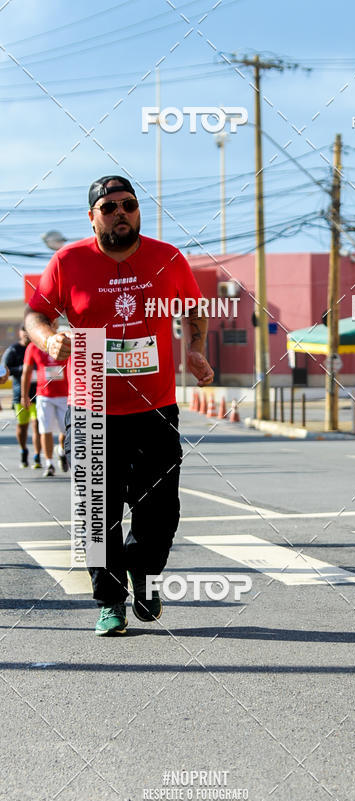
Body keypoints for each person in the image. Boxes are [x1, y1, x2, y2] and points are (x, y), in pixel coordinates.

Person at [24, 175, 213, 636]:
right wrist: (49, 339)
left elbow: (192, 308)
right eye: (109, 207)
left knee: (159, 510)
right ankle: (110, 601)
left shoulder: (167, 258)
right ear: (93, 217)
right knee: (95, 512)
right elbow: (36, 314)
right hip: (90, 403)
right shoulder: (68, 261)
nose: (120, 213)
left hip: (155, 407)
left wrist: (194, 348)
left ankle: (144, 577)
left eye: (128, 204)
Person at [21, 332, 69, 477]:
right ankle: (49, 464)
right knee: (45, 430)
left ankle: (61, 450)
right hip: (44, 395)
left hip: (64, 395)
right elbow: (27, 371)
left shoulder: (64, 342)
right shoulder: (33, 347)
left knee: (67, 432)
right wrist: (24, 395)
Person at [0, 327, 42, 469]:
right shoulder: (13, 350)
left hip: (38, 393)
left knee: (37, 425)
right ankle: (24, 450)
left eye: (28, 331)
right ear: (19, 333)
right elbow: (4, 369)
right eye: (23, 331)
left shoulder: (38, 347)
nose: (26, 334)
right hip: (19, 395)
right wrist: (24, 369)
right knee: (22, 427)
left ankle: (37, 456)